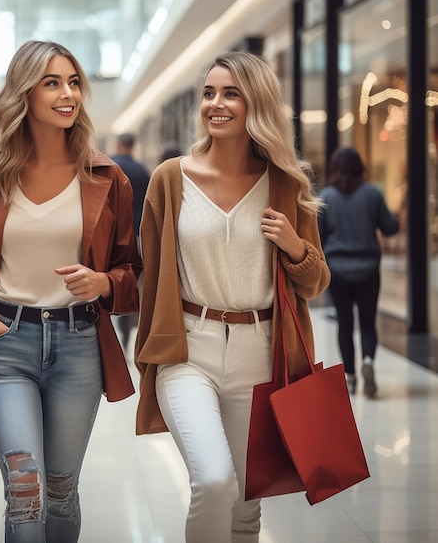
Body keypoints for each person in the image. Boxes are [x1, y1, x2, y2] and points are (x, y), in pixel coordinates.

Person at [0, 39, 142, 543]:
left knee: (60, 490)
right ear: (24, 94)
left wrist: (102, 283)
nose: (67, 93)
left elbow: (131, 273)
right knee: (25, 494)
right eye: (52, 82)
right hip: (6, 344)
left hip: (78, 344)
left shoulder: (107, 177)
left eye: (73, 82)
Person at [134, 51, 330, 543]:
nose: (215, 104)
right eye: (209, 93)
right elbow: (149, 274)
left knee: (246, 503)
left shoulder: (285, 184)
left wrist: (295, 247)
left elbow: (315, 282)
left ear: (256, 104)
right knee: (215, 480)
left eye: (230, 93)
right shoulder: (169, 179)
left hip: (260, 353)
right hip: (188, 350)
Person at [318, 146, 399, 397]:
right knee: (367, 323)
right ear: (360, 168)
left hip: (338, 270)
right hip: (368, 269)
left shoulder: (327, 196)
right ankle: (367, 361)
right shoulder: (373, 194)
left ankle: (351, 377)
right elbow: (389, 228)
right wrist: (397, 217)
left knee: (344, 323)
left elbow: (319, 236)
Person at [110, 132, 149, 353]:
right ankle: (126, 331)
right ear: (133, 145)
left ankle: (111, 328)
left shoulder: (109, 165)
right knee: (131, 282)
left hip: (111, 237)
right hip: (135, 235)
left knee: (110, 281)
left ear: (118, 144)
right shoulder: (142, 170)